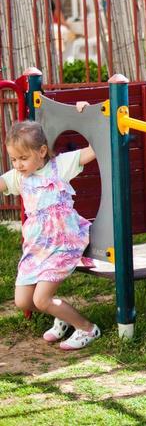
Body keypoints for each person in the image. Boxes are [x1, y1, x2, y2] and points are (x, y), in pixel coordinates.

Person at [1, 106, 100, 350]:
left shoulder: (60, 167)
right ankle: (61, 314)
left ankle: (88, 329)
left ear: (42, 151)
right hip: (36, 247)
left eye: (23, 158)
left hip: (62, 243)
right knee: (23, 301)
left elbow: (97, 148)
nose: (18, 164)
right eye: (14, 159)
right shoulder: (18, 177)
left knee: (41, 298)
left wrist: (86, 116)